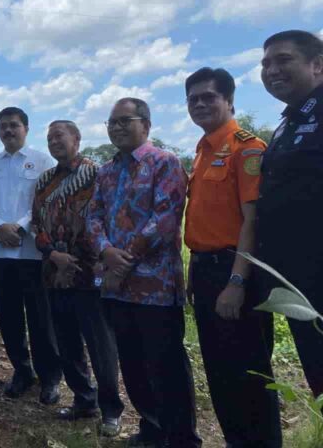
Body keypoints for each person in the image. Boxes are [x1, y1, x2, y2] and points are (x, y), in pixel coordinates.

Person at [87, 98, 201, 448]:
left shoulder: (165, 163)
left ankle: (181, 439)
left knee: (166, 366)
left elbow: (165, 219)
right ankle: (152, 430)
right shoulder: (106, 171)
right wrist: (106, 251)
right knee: (133, 364)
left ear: (146, 125)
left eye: (125, 121)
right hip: (116, 288)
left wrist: (123, 261)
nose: (117, 127)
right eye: (112, 122)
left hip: (156, 288)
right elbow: (93, 216)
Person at [183, 68, 281, 447]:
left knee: (250, 374)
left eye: (209, 97)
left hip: (236, 272)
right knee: (220, 372)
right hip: (205, 271)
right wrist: (193, 273)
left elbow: (252, 221)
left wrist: (237, 282)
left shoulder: (247, 148)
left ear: (229, 100)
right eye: (193, 99)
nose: (200, 104)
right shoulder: (202, 151)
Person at [32, 120, 123, 437]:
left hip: (89, 274)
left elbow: (106, 221)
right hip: (54, 275)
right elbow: (36, 226)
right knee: (66, 343)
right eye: (49, 137)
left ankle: (111, 409)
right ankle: (84, 400)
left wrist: (75, 259)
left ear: (77, 138)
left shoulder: (97, 175)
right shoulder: (45, 181)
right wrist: (54, 256)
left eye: (59, 135)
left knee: (100, 345)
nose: (53, 141)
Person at [0, 106, 60, 404]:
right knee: (9, 317)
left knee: (41, 318)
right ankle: (22, 371)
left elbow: (45, 199)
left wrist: (21, 227)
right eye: (3, 126)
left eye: (14, 125)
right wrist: (1, 226)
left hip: (33, 252)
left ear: (26, 128)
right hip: (0, 251)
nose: (8, 130)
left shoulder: (42, 161)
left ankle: (50, 377)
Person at [257, 30, 323, 397]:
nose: (271, 70)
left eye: (283, 60)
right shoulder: (287, 123)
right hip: (300, 285)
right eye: (265, 63)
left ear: (318, 65)